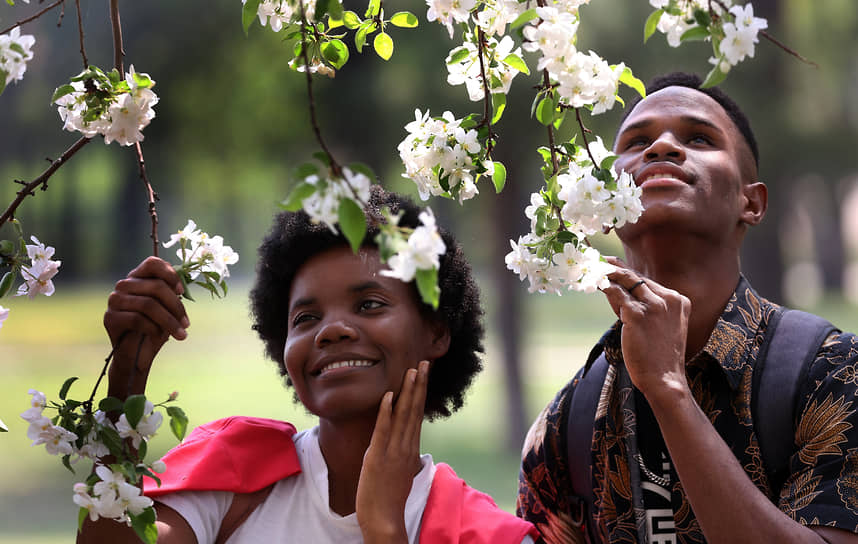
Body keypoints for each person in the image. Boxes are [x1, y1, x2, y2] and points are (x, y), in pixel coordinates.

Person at [79, 187, 539, 543]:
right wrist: (127, 379)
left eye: (370, 305)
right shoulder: (236, 468)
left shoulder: (484, 533)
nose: (330, 330)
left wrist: (383, 530)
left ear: (437, 332)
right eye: (306, 318)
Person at [517, 72, 858, 543]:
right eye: (637, 142)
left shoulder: (834, 372)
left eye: (698, 138)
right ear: (604, 205)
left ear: (752, 203)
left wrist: (668, 390)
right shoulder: (567, 422)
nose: (661, 148)